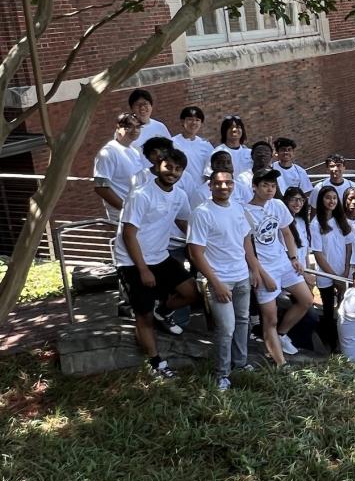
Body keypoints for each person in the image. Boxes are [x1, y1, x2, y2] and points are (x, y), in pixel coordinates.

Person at [114, 149, 198, 378]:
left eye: (178, 169)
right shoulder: (141, 194)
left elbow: (183, 222)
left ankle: (164, 310)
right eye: (168, 167)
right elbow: (128, 234)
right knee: (144, 314)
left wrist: (202, 242)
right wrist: (143, 270)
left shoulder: (179, 195)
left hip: (160, 255)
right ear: (159, 165)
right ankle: (155, 362)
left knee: (191, 292)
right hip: (132, 261)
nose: (173, 172)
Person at [188, 168, 266, 391]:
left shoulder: (237, 208)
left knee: (243, 323)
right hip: (220, 281)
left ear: (233, 185)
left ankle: (240, 363)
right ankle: (222, 373)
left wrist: (255, 270)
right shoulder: (202, 213)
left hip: (242, 277)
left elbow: (246, 242)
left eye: (228, 183)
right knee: (226, 329)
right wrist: (215, 283)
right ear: (210, 186)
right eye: (219, 183)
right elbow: (195, 253)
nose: (224, 187)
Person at [245, 168, 315, 365]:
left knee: (306, 300)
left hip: (283, 263)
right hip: (263, 269)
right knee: (270, 319)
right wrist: (260, 273)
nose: (270, 189)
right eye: (265, 185)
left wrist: (293, 258)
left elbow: (286, 233)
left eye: (273, 186)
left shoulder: (277, 205)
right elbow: (247, 248)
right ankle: (281, 364)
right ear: (254, 187)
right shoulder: (244, 211)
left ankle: (282, 335)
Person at [312, 184, 353, 351]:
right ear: (321, 200)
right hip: (326, 275)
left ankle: (345, 342)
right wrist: (335, 277)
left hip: (343, 273)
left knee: (345, 310)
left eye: (334, 198)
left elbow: (349, 245)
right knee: (329, 311)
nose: (331, 201)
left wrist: (345, 270)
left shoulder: (342, 220)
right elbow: (318, 254)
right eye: (328, 197)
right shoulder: (315, 224)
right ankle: (331, 344)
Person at [93, 112, 144, 221]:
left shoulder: (134, 151)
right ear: (118, 128)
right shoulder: (108, 152)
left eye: (138, 127)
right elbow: (101, 187)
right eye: (129, 127)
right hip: (122, 217)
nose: (135, 130)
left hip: (138, 214)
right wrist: (126, 208)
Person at [172, 106, 214, 200]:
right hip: (180, 191)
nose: (194, 123)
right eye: (190, 119)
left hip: (201, 193)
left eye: (197, 120)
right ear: (183, 122)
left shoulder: (206, 145)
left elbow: (211, 170)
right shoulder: (172, 143)